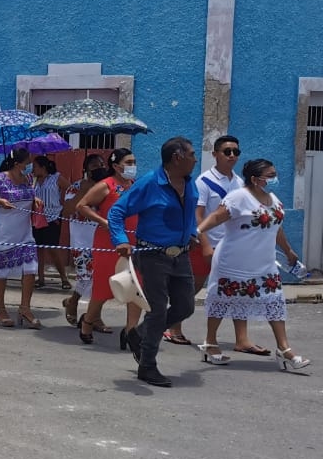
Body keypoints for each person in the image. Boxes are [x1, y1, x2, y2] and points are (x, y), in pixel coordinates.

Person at [195, 159, 310, 373]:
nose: (274, 179)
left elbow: (277, 227)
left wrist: (288, 250)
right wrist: (198, 231)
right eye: (270, 175)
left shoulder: (272, 199)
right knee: (221, 300)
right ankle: (210, 343)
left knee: (274, 302)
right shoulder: (238, 197)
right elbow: (215, 217)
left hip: (264, 264)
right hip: (233, 262)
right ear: (256, 179)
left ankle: (284, 349)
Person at [107, 137, 201, 388]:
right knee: (158, 311)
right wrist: (120, 239)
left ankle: (137, 333)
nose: (195, 158)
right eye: (192, 154)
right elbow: (116, 212)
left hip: (180, 256)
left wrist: (192, 233)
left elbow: (190, 213)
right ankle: (147, 365)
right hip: (152, 256)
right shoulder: (150, 183)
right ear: (177, 157)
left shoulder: (190, 184)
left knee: (185, 307)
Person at [168, 135, 254, 351]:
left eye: (236, 151)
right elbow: (197, 216)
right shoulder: (204, 181)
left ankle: (242, 340)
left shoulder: (240, 182)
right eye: (227, 151)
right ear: (215, 154)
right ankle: (173, 327)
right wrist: (205, 244)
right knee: (192, 287)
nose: (232, 155)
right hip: (206, 244)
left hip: (232, 246)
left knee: (238, 290)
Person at [75, 148, 141, 348]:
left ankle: (131, 331)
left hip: (133, 243)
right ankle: (87, 322)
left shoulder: (134, 185)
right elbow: (82, 206)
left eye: (133, 162)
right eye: (128, 162)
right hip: (108, 243)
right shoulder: (106, 185)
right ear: (115, 166)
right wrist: (104, 222)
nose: (132, 166)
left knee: (136, 286)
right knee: (104, 288)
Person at [0, 147, 42, 329]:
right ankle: (0, 309)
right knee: (2, 271)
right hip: (2, 231)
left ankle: (25, 308)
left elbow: (27, 195)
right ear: (18, 163)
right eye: (28, 162)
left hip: (24, 232)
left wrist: (35, 199)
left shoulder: (28, 179)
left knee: (31, 268)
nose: (30, 166)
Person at [61, 154, 106, 329]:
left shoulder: (106, 187)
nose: (98, 168)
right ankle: (93, 317)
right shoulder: (75, 187)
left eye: (101, 164)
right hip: (81, 240)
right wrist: (84, 191)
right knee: (87, 277)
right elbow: (67, 211)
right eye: (94, 165)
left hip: (102, 239)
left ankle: (76, 304)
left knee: (101, 278)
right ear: (86, 170)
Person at [31, 156, 68, 289]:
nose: (33, 169)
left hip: (53, 218)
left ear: (43, 167)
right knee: (38, 249)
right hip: (37, 218)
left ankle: (64, 277)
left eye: (35, 166)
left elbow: (70, 190)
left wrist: (64, 207)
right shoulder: (33, 180)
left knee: (53, 249)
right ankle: (40, 278)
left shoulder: (56, 178)